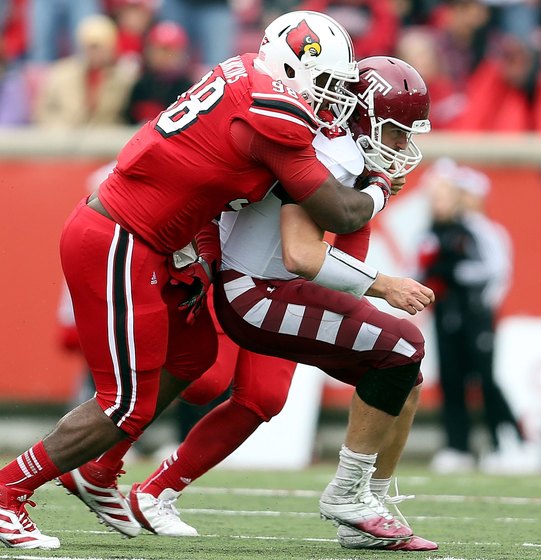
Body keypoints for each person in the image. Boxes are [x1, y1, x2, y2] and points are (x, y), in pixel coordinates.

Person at [0, 10, 390, 549]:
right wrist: (380, 186)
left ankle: (96, 471)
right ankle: (7, 492)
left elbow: (198, 180)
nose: (331, 100)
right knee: (124, 402)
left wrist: (198, 251)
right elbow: (341, 213)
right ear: (291, 68)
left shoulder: (249, 70)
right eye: (324, 85)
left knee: (194, 357)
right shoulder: (275, 117)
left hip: (157, 239)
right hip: (120, 237)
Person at [123, 56, 432, 549]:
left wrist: (344, 295)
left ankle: (365, 503)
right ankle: (97, 454)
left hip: (281, 282)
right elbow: (286, 239)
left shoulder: (348, 153)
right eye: (395, 132)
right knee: (206, 380)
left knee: (274, 395)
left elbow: (347, 234)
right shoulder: (303, 136)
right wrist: (378, 283)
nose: (402, 146)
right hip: (237, 270)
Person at [416, 159, 524, 474]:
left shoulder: (481, 230)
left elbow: (495, 270)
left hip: (475, 314)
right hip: (446, 314)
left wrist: (459, 276)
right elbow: (419, 268)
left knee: (484, 378)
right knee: (451, 380)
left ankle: (505, 441)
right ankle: (457, 446)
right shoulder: (432, 233)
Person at [33, 14, 137, 128]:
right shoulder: (61, 73)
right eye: (91, 46)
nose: (96, 52)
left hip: (104, 139)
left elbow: (124, 117)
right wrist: (59, 131)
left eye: (101, 46)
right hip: (64, 138)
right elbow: (43, 112)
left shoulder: (123, 78)